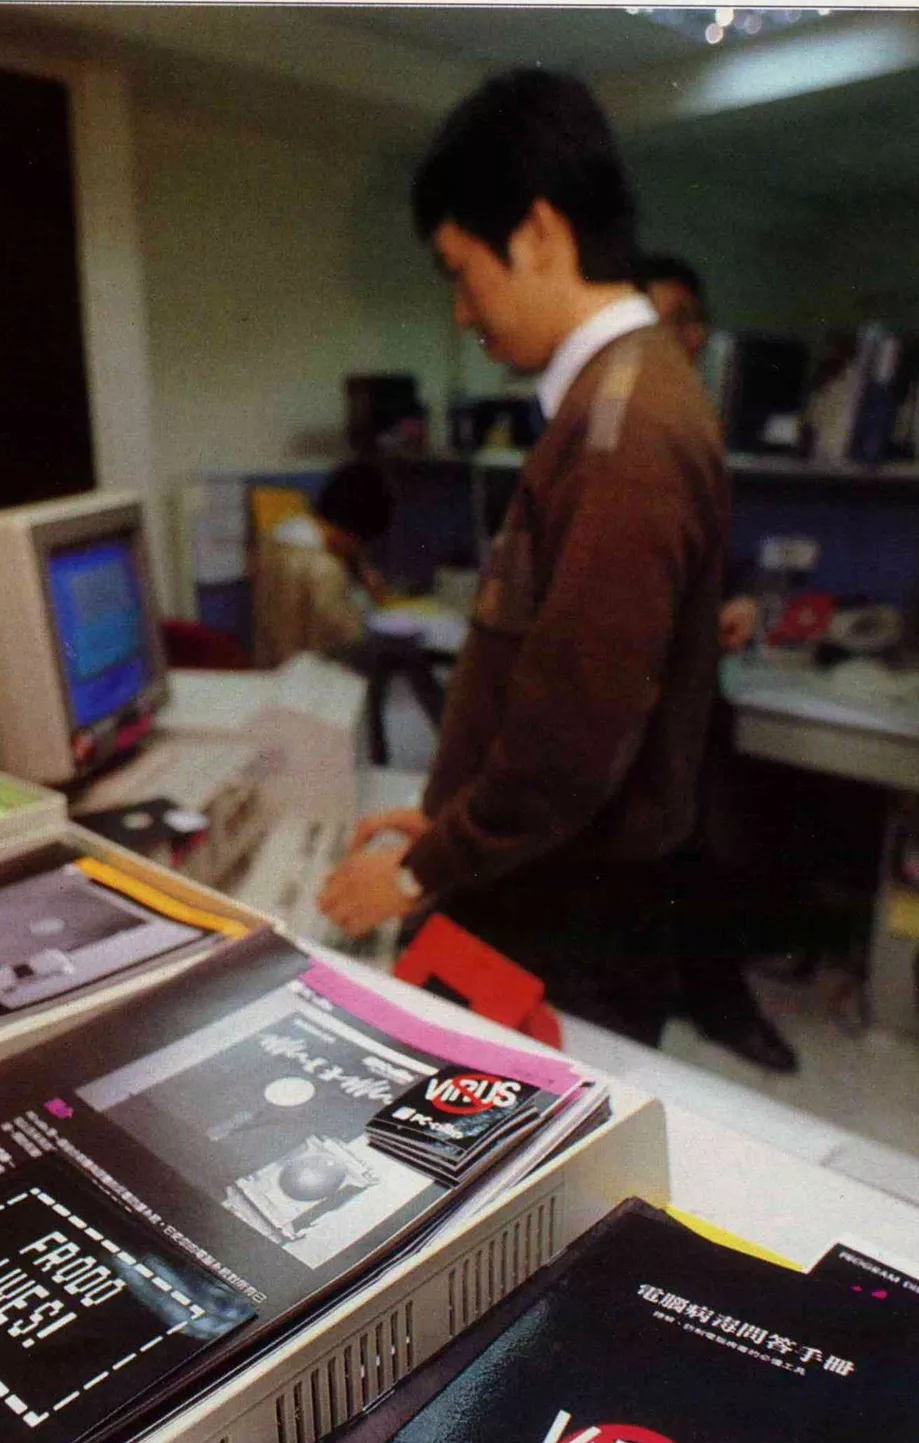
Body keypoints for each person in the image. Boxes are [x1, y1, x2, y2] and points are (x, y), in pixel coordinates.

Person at [319, 70, 729, 1048]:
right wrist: (450, 824)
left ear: (539, 233)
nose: (462, 312)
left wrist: (420, 871)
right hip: (547, 885)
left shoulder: (625, 426)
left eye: (462, 272)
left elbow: (571, 738)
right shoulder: (613, 399)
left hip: (572, 920)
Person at [641, 253, 799, 1073]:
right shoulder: (635, 427)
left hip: (695, 693)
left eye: (675, 323)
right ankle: (707, 1000)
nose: (663, 340)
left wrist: (729, 603)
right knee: (680, 855)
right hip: (646, 697)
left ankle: (716, 999)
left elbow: (697, 563)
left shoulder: (696, 426)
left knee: (715, 851)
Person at [253, 459, 446, 764]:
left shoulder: (273, 542)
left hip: (270, 683)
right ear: (354, 534)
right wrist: (359, 594)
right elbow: (349, 634)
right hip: (315, 703)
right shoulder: (326, 570)